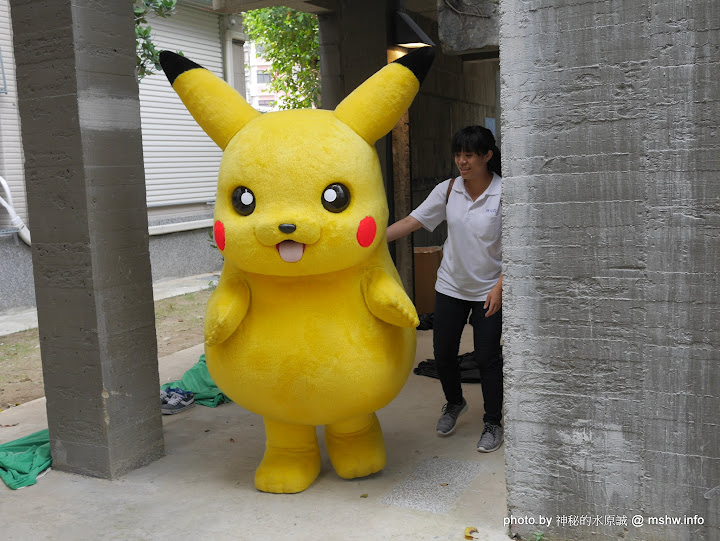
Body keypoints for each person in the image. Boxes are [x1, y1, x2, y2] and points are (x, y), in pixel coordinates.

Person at [386, 125, 503, 453]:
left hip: (488, 291)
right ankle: (455, 403)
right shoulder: (449, 189)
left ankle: (493, 422)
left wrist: (500, 287)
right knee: (443, 354)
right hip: (451, 285)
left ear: (487, 156)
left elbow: (518, 245)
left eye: (469, 155)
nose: (462, 161)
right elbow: (413, 221)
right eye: (458, 154)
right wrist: (369, 240)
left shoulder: (504, 192)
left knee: (487, 357)